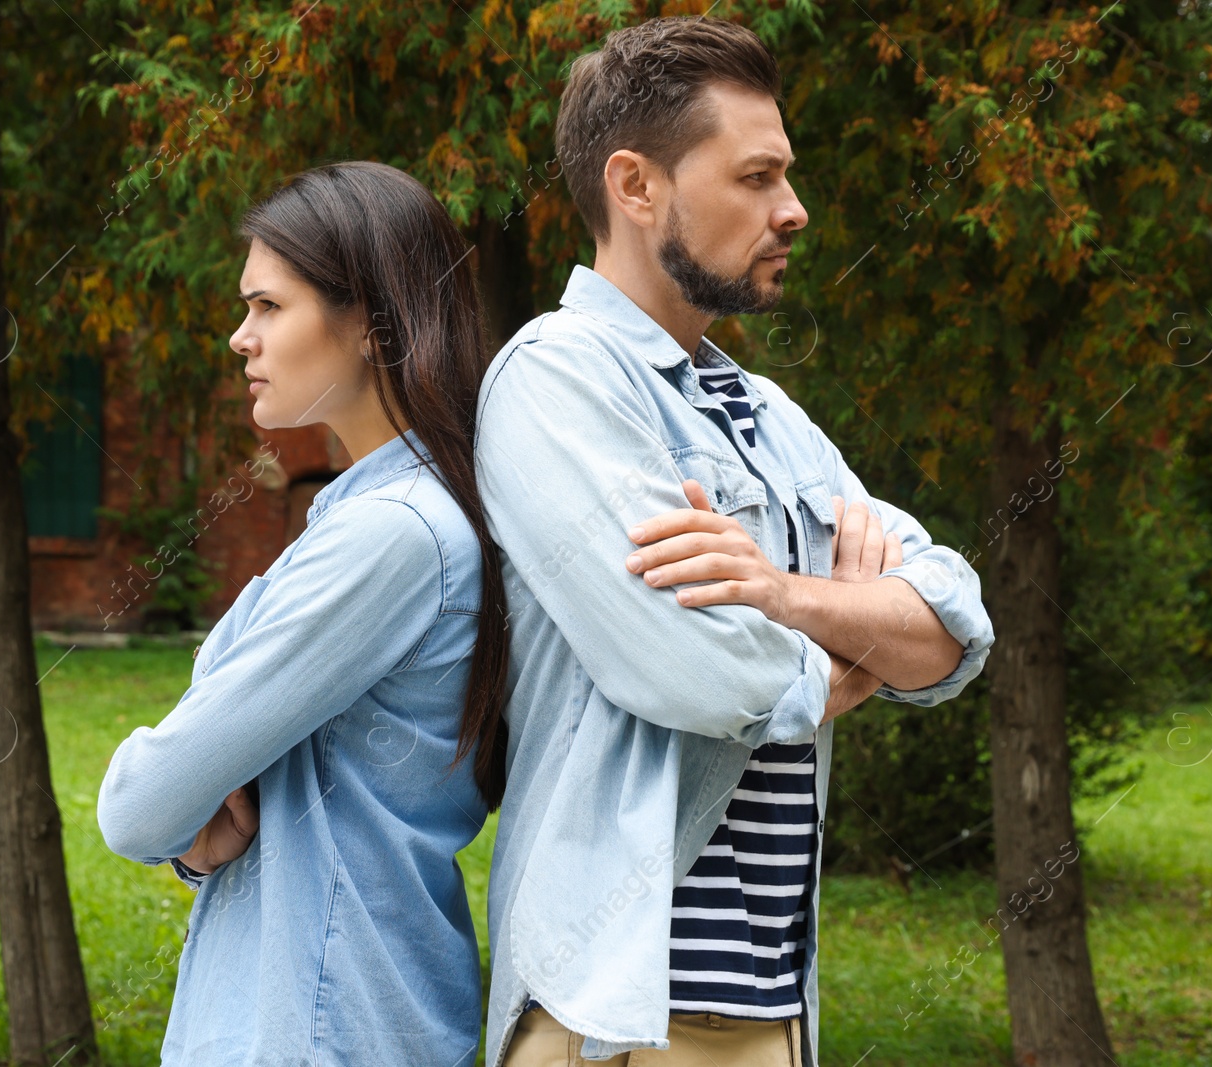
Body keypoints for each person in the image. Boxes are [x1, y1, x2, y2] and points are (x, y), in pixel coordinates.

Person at [473, 16, 996, 1067]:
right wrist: (846, 656)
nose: (792, 210)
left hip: (769, 1006)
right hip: (614, 1013)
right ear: (636, 186)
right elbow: (705, 670)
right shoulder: (554, 378)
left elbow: (950, 623)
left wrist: (786, 597)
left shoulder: (763, 413)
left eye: (786, 177)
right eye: (756, 177)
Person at [96, 160, 508, 1066]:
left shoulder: (394, 536)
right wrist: (202, 837)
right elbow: (216, 811)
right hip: (319, 1001)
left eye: (269, 307)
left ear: (368, 320)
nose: (241, 339)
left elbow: (134, 805)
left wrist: (163, 779)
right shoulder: (382, 512)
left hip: (324, 1018)